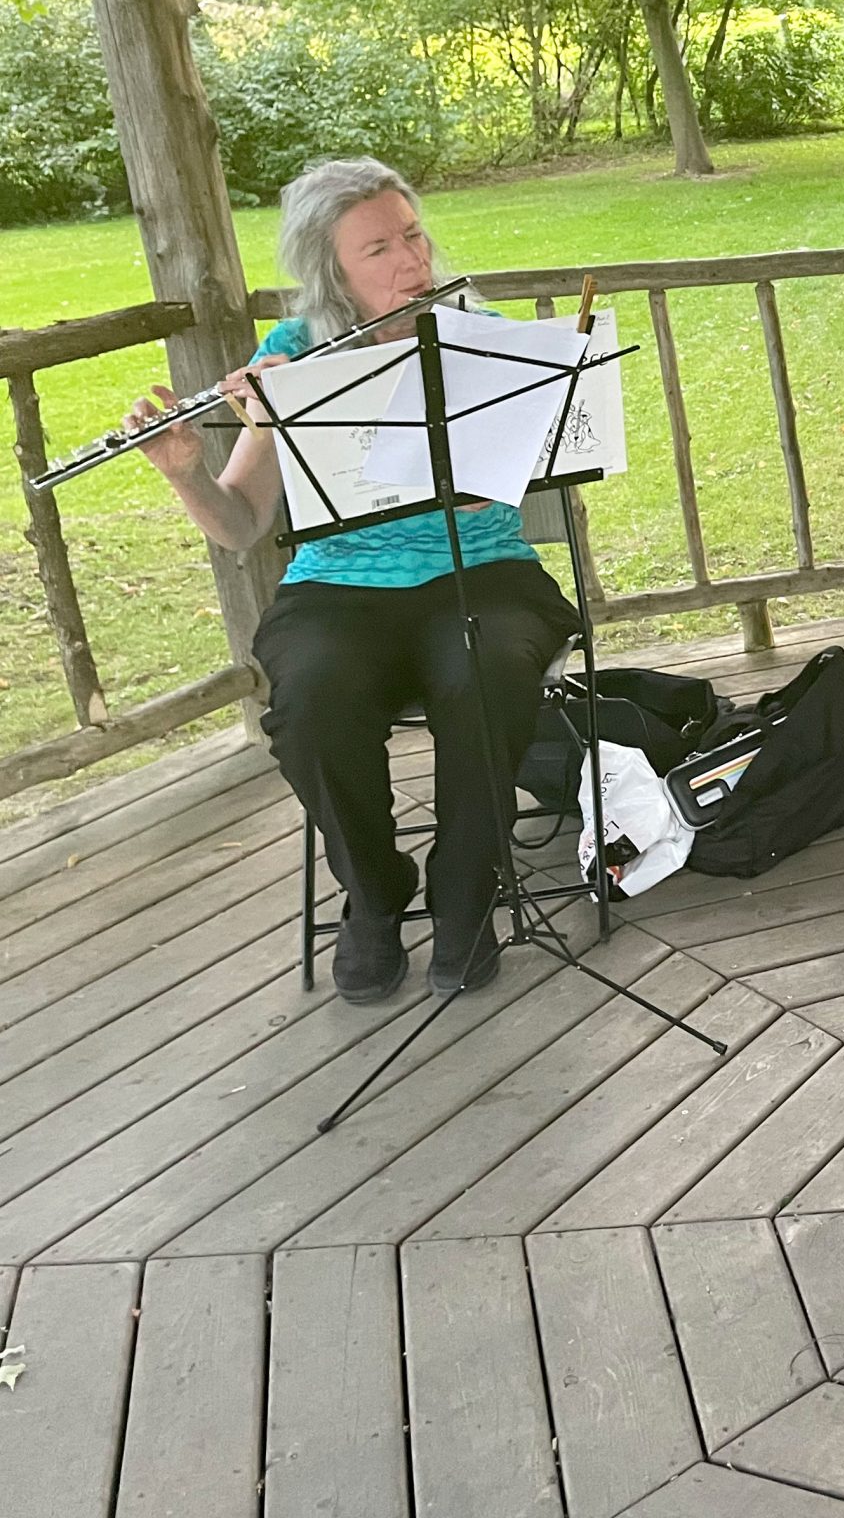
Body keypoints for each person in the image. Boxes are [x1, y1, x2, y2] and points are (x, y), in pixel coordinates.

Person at [125, 158, 579, 1004]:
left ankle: (466, 889)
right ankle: (373, 896)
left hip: (479, 571)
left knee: (483, 673)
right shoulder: (292, 357)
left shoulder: (481, 331)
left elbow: (532, 467)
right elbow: (241, 526)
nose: (410, 259)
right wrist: (186, 470)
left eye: (412, 235)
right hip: (341, 587)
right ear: (332, 270)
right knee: (311, 698)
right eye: (378, 249)